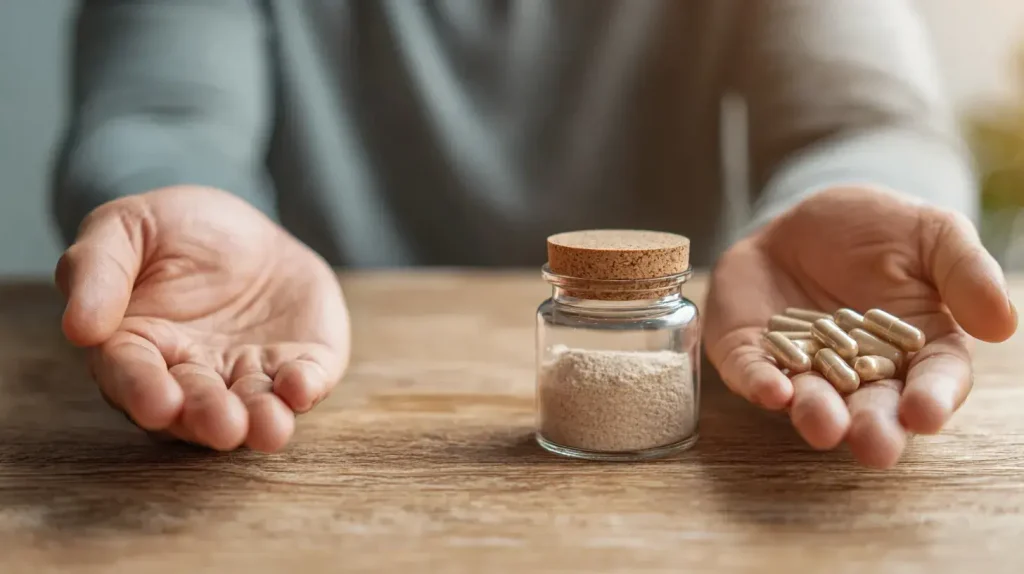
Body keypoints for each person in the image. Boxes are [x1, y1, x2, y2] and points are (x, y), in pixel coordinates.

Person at [51, 0, 1017, 468]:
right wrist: (162, 195)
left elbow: (867, 115)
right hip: (305, 362)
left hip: (722, 340)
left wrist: (867, 196)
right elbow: (162, 106)